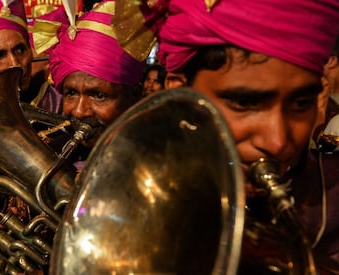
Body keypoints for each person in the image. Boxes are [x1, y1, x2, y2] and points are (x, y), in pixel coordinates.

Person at [114, 0, 339, 273]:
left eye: (301, 103)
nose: (278, 142)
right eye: (244, 102)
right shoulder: (131, 190)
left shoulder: (332, 196)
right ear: (181, 94)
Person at [0, 0, 145, 273]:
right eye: (71, 93)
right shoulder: (58, 151)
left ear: (134, 98)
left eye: (98, 95)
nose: (80, 112)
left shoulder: (149, 171)